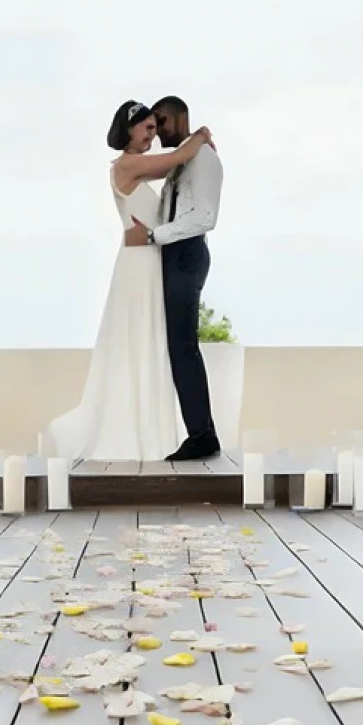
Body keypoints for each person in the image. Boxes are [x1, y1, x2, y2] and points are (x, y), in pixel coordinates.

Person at [43, 100, 213, 461]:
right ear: (130, 129)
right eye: (148, 129)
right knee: (140, 343)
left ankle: (154, 431)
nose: (153, 136)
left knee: (152, 344)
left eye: (156, 128)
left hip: (150, 259)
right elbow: (174, 161)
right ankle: (136, 430)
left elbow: (174, 171)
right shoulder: (126, 163)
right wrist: (200, 135)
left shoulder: (137, 166)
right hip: (139, 264)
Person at [127, 95, 224, 462]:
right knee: (175, 348)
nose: (159, 131)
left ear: (180, 117)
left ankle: (203, 436)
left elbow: (204, 217)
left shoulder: (204, 159)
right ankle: (200, 432)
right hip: (172, 256)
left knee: (183, 347)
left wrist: (153, 237)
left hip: (186, 254)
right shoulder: (182, 160)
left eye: (163, 122)